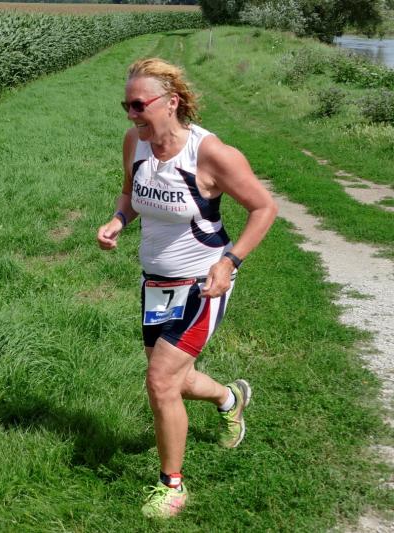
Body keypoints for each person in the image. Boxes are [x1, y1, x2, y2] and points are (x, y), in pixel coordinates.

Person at [96, 58, 278, 519]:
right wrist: (117, 220)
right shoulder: (135, 143)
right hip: (155, 283)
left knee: (160, 381)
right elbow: (129, 194)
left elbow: (264, 208)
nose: (131, 114)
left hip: (202, 283)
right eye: (126, 105)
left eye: (139, 105)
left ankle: (171, 486)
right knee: (175, 379)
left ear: (171, 102)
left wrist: (229, 262)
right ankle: (229, 398)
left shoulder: (209, 153)